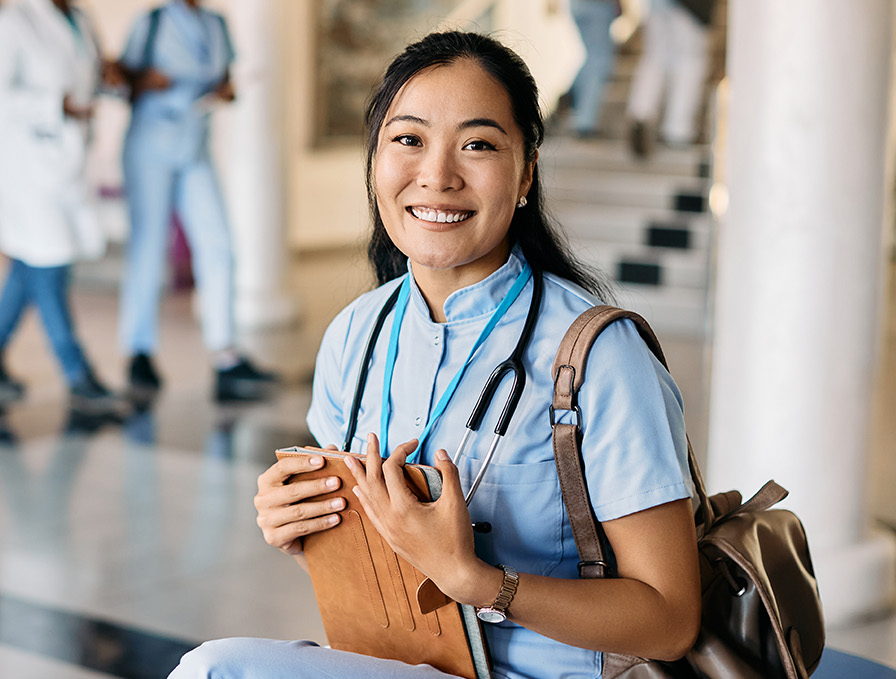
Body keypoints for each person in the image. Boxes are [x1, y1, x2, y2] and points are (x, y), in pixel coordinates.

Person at [170, 31, 701, 679]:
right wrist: (298, 523)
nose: (438, 176)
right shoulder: (355, 335)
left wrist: (475, 580)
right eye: (408, 139)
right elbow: (365, 552)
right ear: (374, 161)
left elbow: (670, 622)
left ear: (526, 172)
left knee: (216, 670)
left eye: (477, 144)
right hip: (394, 658)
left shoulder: (597, 356)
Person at [116, 0, 277, 402]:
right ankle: (139, 352)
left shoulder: (216, 24)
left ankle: (225, 357)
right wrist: (144, 81)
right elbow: (121, 80)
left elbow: (224, 78)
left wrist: (225, 91)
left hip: (194, 145)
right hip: (150, 145)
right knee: (148, 248)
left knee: (219, 244)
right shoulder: (151, 22)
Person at [0, 0, 118, 403]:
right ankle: (77, 373)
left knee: (27, 262)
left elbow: (88, 78)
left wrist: (109, 76)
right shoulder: (8, 23)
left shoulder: (80, 19)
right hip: (26, 169)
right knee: (49, 265)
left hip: (67, 163)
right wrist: (56, 104)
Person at [624, 0, 715, 157]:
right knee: (689, 62)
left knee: (655, 58)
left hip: (658, 5)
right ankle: (678, 130)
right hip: (689, 8)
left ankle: (641, 113)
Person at [559, 0, 621, 138]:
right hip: (599, 5)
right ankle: (585, 122)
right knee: (599, 60)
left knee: (592, 57)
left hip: (577, 5)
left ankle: (572, 94)